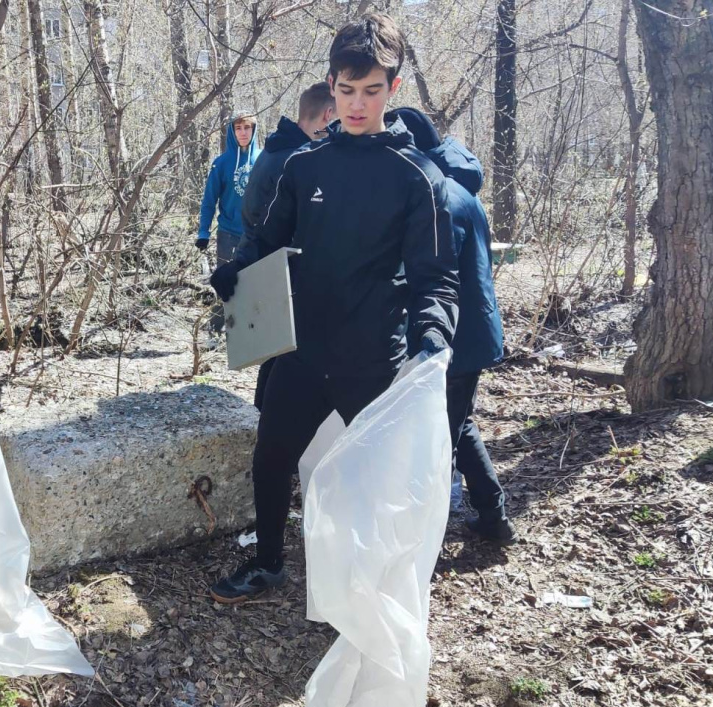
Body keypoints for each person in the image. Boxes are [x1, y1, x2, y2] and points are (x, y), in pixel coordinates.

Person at [207, 13, 459, 603]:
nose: (357, 104)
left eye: (372, 91)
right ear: (331, 85)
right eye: (346, 90)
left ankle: (379, 587)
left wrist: (432, 334)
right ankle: (269, 563)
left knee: (377, 481)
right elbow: (267, 240)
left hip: (371, 357)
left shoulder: (417, 178)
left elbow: (436, 277)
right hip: (302, 350)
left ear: (392, 89)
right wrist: (235, 267)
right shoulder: (306, 165)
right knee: (271, 460)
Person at [395, 107, 514, 545]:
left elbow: (432, 276)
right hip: (472, 331)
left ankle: (428, 535)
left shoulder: (439, 197)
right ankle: (493, 518)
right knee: (458, 425)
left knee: (440, 432)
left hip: (456, 337)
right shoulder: (458, 185)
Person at [239, 81, 338, 410]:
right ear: (328, 114)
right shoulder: (296, 160)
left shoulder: (275, 150)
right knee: (285, 366)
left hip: (270, 269)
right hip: (283, 275)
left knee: (275, 361)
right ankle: (268, 437)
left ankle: (262, 428)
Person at [195, 113, 261, 268]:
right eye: (238, 128)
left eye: (247, 127)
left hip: (257, 235)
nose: (243, 132)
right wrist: (204, 232)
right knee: (227, 287)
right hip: (228, 235)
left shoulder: (264, 159)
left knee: (257, 286)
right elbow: (209, 201)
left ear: (254, 130)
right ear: (232, 131)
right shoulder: (221, 163)